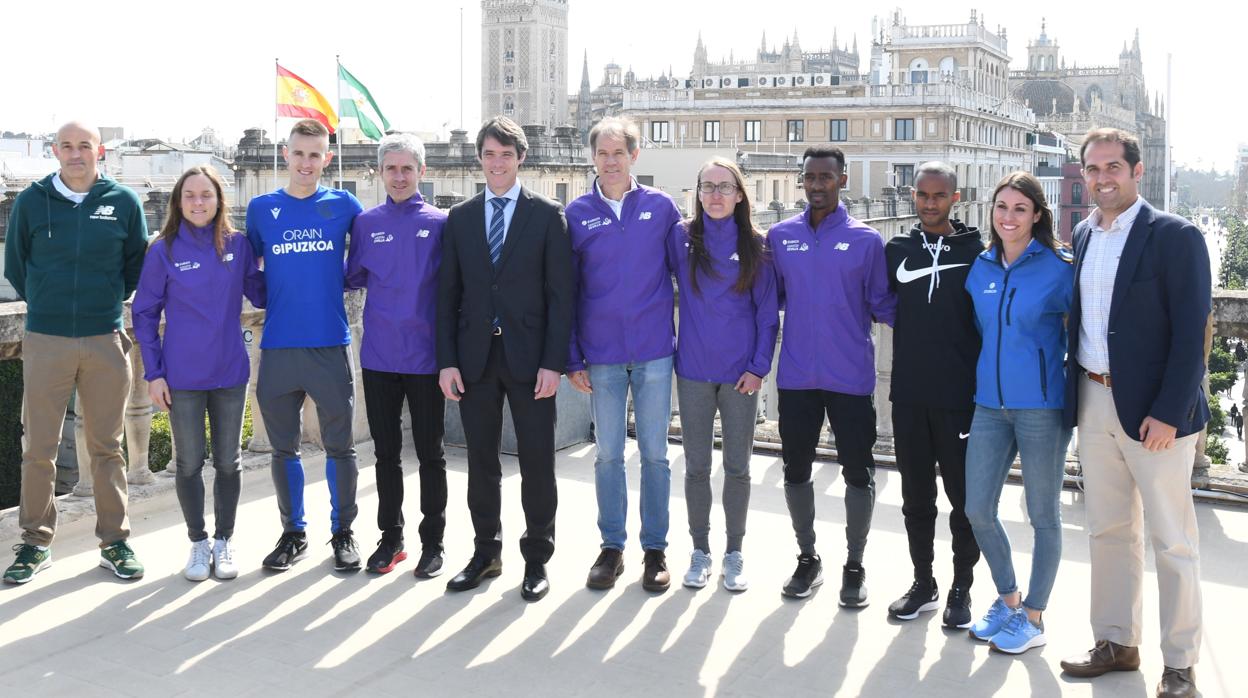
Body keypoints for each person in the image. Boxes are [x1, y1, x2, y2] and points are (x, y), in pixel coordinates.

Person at [1059, 128, 1210, 698]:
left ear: (1137, 171)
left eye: (1113, 167)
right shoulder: (1082, 233)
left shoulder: (1175, 235)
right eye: (1093, 169)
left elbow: (1191, 333)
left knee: (1173, 539)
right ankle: (1116, 641)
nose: (1102, 178)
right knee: (1108, 530)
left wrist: (1170, 412)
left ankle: (1180, 664)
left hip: (1156, 412)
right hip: (1094, 398)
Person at [3, 121, 149, 584]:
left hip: (105, 338)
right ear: (55, 151)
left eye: (84, 145)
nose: (75, 153)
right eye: (66, 146)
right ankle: (35, 543)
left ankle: (115, 541)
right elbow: (16, 266)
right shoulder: (31, 201)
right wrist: (46, 302)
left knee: (107, 447)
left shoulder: (123, 201)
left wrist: (103, 302)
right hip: (46, 340)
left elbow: (135, 266)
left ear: (98, 151)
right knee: (39, 449)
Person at [436, 116, 573, 602]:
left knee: (537, 463)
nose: (497, 163)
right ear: (480, 158)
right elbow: (447, 295)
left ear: (521, 158)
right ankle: (485, 553)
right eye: (490, 155)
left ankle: (536, 559)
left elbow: (561, 297)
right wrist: (447, 361)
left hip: (531, 360)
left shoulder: (547, 215)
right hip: (475, 360)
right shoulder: (461, 218)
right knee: (480, 463)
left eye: (506, 155)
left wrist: (553, 363)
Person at [767, 146, 895, 603]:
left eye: (826, 177)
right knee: (795, 469)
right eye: (810, 177)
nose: (817, 185)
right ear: (801, 180)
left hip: (852, 378)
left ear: (843, 180)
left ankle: (854, 565)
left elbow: (885, 304)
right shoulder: (780, 237)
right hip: (797, 376)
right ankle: (808, 559)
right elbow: (765, 299)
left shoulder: (866, 240)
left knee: (858, 473)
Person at [565, 117, 682, 592]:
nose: (610, 161)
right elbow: (567, 290)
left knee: (655, 455)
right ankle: (611, 548)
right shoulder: (576, 214)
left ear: (634, 156)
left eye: (619, 153)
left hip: (654, 352)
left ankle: (655, 551)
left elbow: (686, 273)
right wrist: (572, 356)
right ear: (592, 158)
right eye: (602, 153)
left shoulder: (662, 207)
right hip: (602, 355)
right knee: (608, 455)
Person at [131, 165, 265, 581]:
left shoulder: (238, 245)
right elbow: (144, 313)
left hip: (230, 372)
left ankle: (224, 541)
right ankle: (198, 542)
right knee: (188, 464)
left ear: (219, 200)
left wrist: (288, 266)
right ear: (178, 202)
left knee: (228, 462)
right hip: (182, 377)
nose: (198, 202)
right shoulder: (163, 250)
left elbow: (260, 291)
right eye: (189, 195)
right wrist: (154, 374)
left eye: (206, 194)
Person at [962, 171, 1073, 655]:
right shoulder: (981, 267)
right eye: (1002, 207)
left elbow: (1084, 331)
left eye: (1020, 209)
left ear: (1037, 215)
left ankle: (1034, 616)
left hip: (1042, 407)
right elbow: (980, 331)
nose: (1009, 217)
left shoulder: (1059, 268)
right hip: (989, 404)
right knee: (977, 509)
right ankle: (1009, 599)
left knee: (1043, 515)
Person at [246, 118, 364, 572]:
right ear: (286, 154)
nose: (306, 163)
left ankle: (343, 532)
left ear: (326, 159)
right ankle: (293, 534)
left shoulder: (344, 204)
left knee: (341, 448)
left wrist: (339, 282)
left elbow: (366, 256)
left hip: (329, 343)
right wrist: (267, 295)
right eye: (298, 153)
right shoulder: (261, 209)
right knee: (283, 450)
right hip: (278, 346)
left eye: (315, 155)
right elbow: (246, 267)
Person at [668, 157, 778, 592]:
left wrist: (758, 368)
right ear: (696, 193)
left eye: (725, 187)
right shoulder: (680, 238)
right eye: (707, 186)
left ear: (739, 195)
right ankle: (700, 551)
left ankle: (734, 552)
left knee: (737, 467)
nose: (715, 195)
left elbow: (767, 315)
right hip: (693, 372)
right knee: (696, 467)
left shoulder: (758, 245)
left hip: (740, 377)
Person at [883, 161, 983, 627]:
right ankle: (923, 583)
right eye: (922, 194)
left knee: (964, 501)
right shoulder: (896, 250)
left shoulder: (977, 251)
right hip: (908, 395)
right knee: (916, 498)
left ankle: (962, 588)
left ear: (954, 199)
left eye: (939, 195)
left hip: (960, 399)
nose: (929, 203)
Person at [346, 133, 449, 578]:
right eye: (392, 168)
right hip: (379, 357)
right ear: (381, 173)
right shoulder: (366, 224)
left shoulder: (442, 223)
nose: (400, 176)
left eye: (408, 168)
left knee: (430, 454)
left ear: (422, 171)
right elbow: (352, 277)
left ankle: (434, 542)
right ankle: (391, 539)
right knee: (386, 455)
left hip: (427, 359)